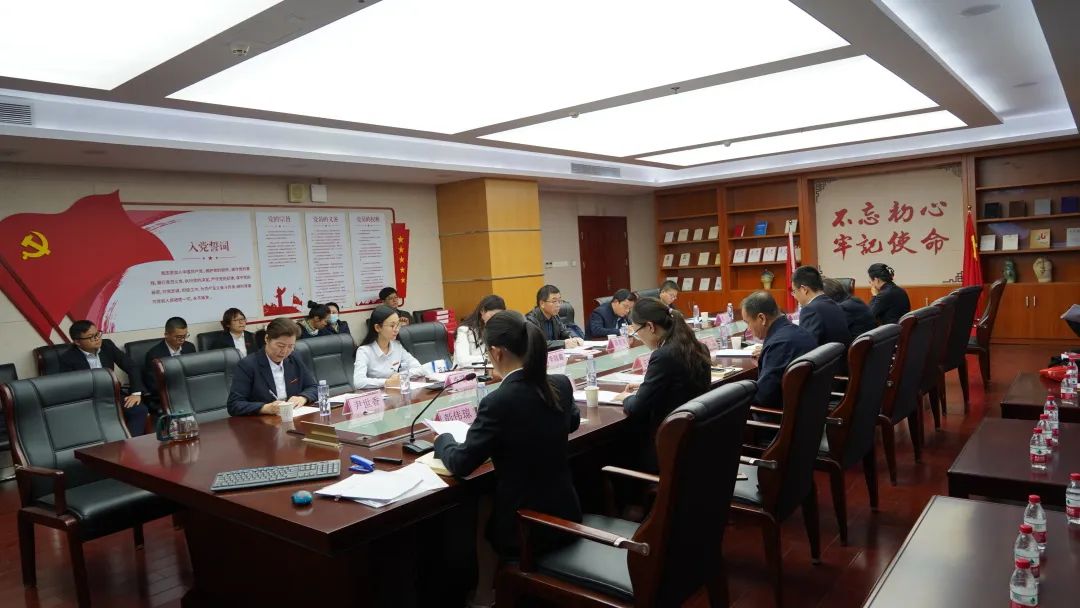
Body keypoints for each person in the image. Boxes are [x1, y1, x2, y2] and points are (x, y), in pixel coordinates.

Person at [434, 310, 581, 563]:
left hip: (525, 527)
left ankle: (494, 585)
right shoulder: (560, 384)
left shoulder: (498, 401)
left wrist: (443, 440)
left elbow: (462, 463)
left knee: (481, 517)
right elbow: (572, 422)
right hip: (567, 514)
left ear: (497, 352)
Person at [616, 298, 711, 471]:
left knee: (611, 451)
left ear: (650, 327)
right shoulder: (698, 347)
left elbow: (636, 407)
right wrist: (647, 387)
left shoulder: (663, 356)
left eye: (637, 332)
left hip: (667, 447)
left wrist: (626, 398)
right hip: (694, 440)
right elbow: (677, 384)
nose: (639, 337)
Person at [59, 320, 148, 434]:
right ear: (77, 341)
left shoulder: (107, 345)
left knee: (139, 410)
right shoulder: (68, 358)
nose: (97, 339)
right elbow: (68, 388)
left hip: (113, 395)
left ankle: (130, 442)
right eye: (91, 337)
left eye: (97, 334)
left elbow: (131, 366)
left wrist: (135, 393)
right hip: (88, 400)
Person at [227, 318, 318, 416]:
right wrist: (266, 408)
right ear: (267, 339)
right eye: (280, 346)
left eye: (290, 346)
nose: (284, 351)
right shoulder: (248, 365)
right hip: (263, 421)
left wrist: (303, 397)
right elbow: (234, 405)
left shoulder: (294, 358)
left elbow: (314, 387)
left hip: (293, 417)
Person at [741, 291, 816, 409]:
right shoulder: (800, 332)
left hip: (779, 416)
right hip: (809, 409)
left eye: (748, 322)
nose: (748, 329)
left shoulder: (779, 345)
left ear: (762, 318)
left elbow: (763, 397)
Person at [353, 304, 423, 389]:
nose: (396, 329)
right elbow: (358, 382)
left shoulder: (397, 346)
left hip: (395, 392)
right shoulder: (364, 351)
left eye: (398, 325)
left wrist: (400, 376)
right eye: (392, 326)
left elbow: (419, 368)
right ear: (377, 327)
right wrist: (387, 382)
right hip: (376, 394)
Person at [142, 316, 196, 412]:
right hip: (168, 396)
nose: (182, 340)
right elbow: (154, 386)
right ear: (166, 335)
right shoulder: (154, 355)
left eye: (185, 336)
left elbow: (195, 373)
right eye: (178, 337)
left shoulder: (190, 348)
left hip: (190, 393)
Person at [791, 266, 852, 347]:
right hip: (838, 354)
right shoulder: (834, 304)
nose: (794, 296)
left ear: (804, 289)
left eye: (794, 291)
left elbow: (805, 347)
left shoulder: (810, 310)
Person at [525, 285, 584, 350]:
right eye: (554, 301)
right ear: (542, 304)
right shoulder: (531, 320)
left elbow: (564, 331)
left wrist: (574, 337)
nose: (558, 305)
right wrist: (563, 343)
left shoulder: (555, 316)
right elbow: (538, 344)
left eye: (559, 301)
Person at [454, 294, 506, 367]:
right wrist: (489, 358)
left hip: (490, 371)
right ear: (482, 311)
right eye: (492, 315)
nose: (495, 319)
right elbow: (463, 360)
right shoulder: (464, 330)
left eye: (499, 316)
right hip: (465, 372)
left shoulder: (497, 330)